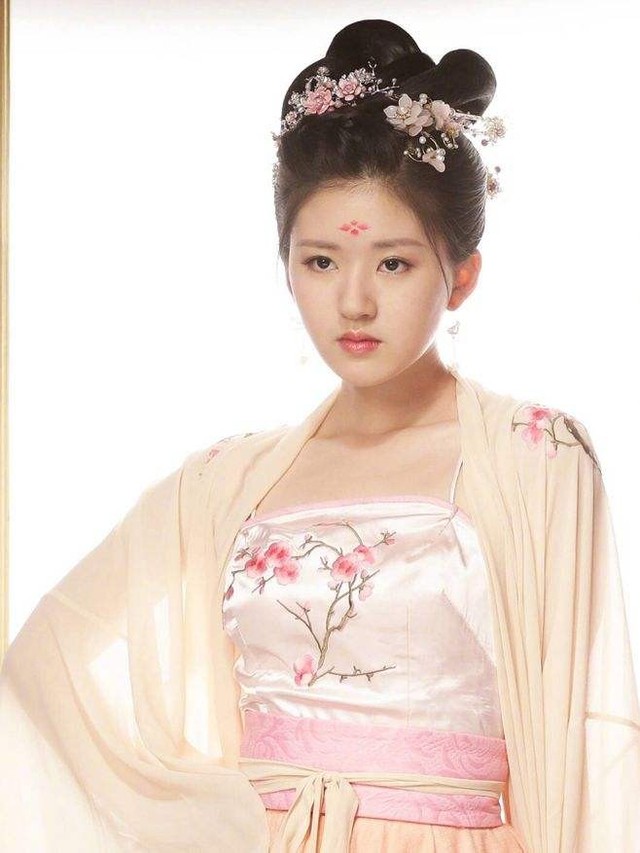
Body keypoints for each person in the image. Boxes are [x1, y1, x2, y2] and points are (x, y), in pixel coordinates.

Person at [0, 17, 638, 853]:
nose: (355, 302)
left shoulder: (534, 455)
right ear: (287, 266)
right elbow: (48, 659)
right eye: (321, 261)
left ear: (462, 274)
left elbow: (583, 737)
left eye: (394, 262)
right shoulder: (226, 481)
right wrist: (194, 808)